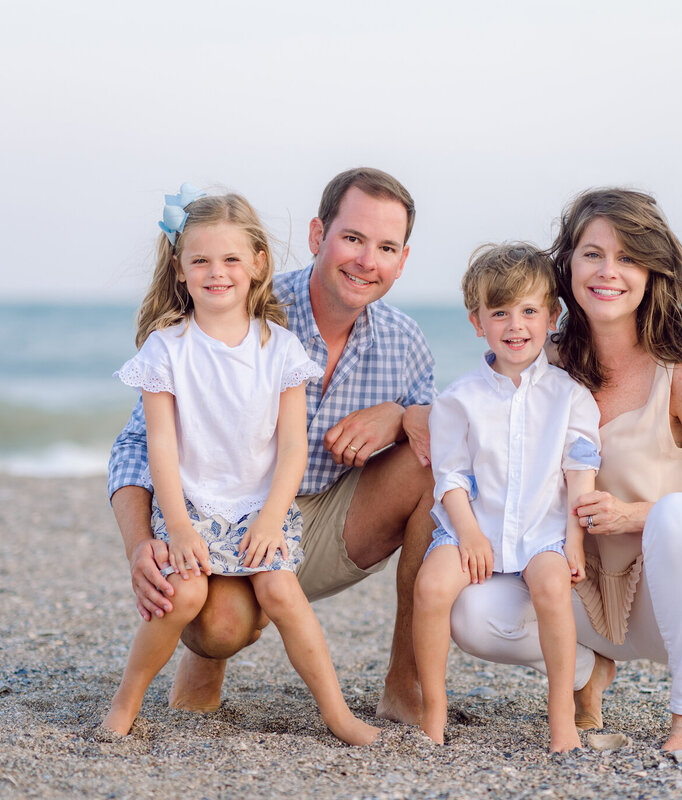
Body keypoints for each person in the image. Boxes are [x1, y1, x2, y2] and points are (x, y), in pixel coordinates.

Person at [107, 168, 436, 725]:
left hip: (326, 517)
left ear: (402, 260)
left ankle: (404, 682)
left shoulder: (405, 340)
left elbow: (445, 427)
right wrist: (142, 543)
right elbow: (139, 442)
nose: (366, 260)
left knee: (433, 466)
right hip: (227, 511)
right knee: (219, 629)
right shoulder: (243, 303)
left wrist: (404, 416)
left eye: (386, 247)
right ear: (317, 236)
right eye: (352, 239)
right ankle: (205, 659)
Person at [448, 189, 682, 755]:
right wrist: (414, 417)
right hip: (579, 586)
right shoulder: (544, 361)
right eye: (592, 254)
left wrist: (634, 514)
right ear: (567, 266)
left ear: (652, 272)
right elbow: (473, 410)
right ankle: (587, 669)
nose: (608, 272)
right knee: (472, 614)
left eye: (628, 257)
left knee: (677, 514)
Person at [412, 244, 600, 752]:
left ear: (552, 316)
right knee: (430, 589)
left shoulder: (570, 397)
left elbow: (581, 470)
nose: (515, 326)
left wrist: (573, 541)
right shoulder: (458, 399)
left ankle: (562, 716)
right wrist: (469, 533)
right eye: (500, 313)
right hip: (474, 524)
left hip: (543, 528)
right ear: (478, 322)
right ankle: (433, 709)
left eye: (529, 311)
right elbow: (450, 478)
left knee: (552, 587)